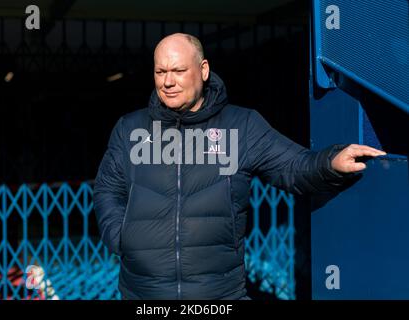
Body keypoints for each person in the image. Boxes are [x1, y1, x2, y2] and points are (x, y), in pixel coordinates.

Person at [93, 33, 386, 300]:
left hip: (220, 296)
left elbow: (293, 165)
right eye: (160, 72)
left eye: (179, 71)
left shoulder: (241, 126)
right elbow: (107, 189)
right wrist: (123, 240)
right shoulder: (130, 129)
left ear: (203, 70)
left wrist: (330, 161)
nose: (168, 82)